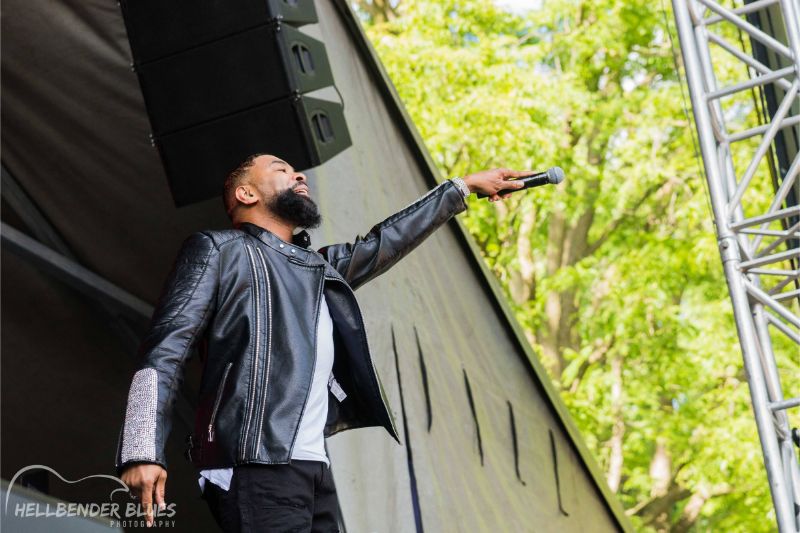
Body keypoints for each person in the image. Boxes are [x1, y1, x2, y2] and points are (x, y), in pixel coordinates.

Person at [114, 153, 528, 531]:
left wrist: (462, 187)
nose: (299, 175)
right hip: (253, 461)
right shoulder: (220, 250)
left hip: (313, 467)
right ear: (246, 194)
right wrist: (141, 448)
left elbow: (386, 241)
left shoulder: (319, 269)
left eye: (297, 170)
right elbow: (165, 348)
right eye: (281, 169)